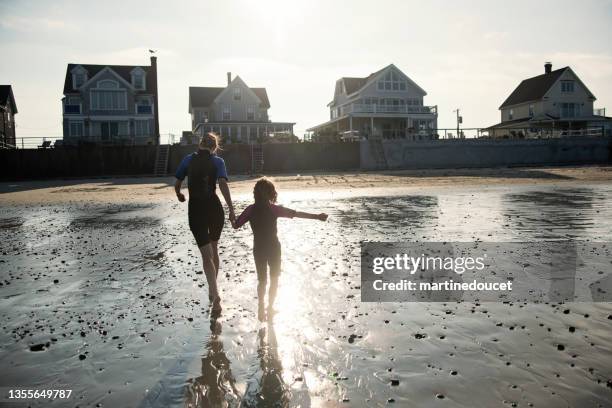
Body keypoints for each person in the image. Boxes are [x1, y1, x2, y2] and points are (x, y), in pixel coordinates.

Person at [233, 178, 327, 321]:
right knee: (274, 278)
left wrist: (231, 218)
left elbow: (236, 225)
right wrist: (317, 217)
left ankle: (260, 306)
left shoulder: (250, 210)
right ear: (271, 193)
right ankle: (270, 308)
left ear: (255, 193)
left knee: (262, 280)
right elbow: (296, 213)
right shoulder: (273, 208)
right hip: (273, 248)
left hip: (258, 248)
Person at [175, 133, 235, 314]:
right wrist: (231, 208)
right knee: (214, 250)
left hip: (196, 209)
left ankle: (214, 293)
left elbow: (177, 183)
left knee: (206, 255)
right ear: (214, 147)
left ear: (199, 145)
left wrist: (179, 194)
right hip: (214, 208)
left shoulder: (187, 160)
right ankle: (213, 289)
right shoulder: (218, 162)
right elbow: (223, 184)